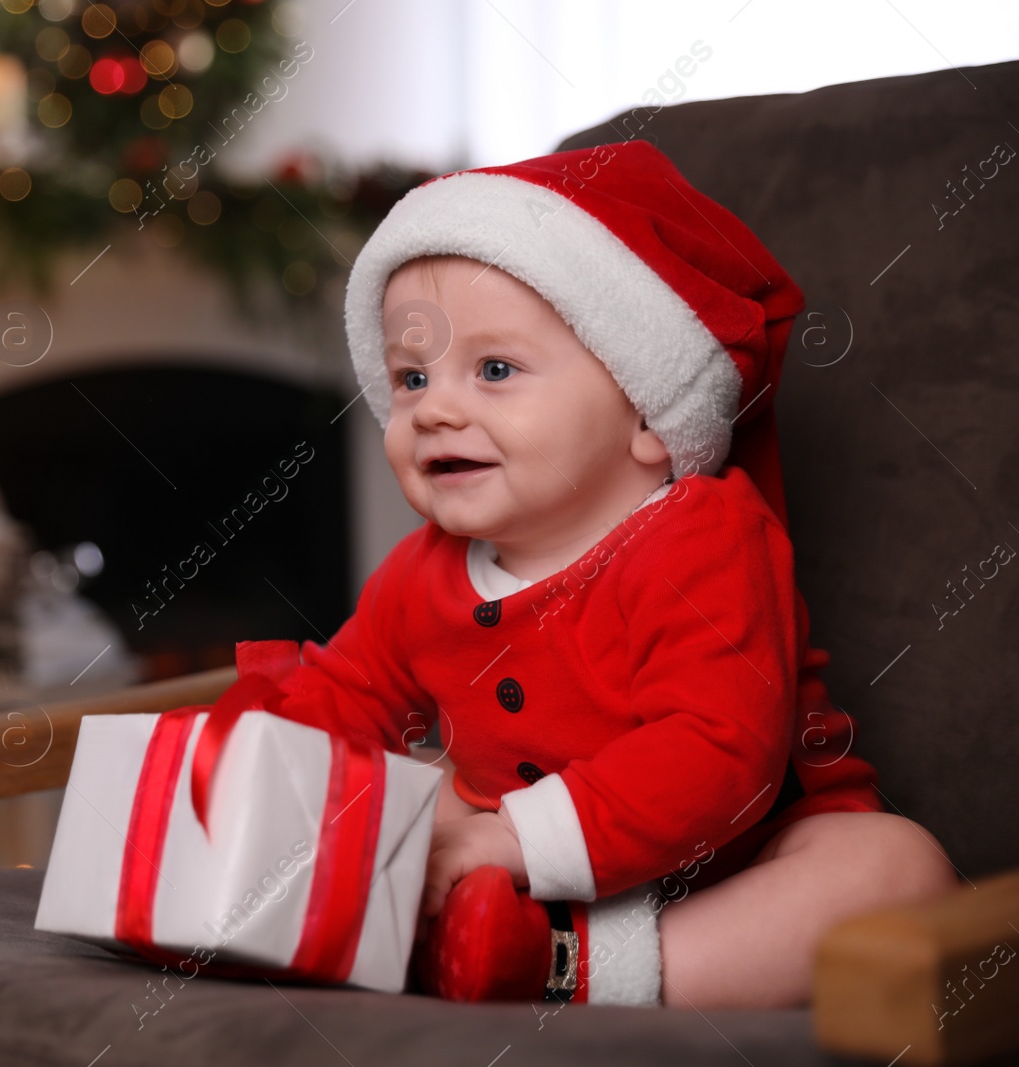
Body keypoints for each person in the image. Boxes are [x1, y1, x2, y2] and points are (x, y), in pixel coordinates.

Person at [267, 140, 957, 1008]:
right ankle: (440, 931)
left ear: (647, 410)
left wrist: (513, 841)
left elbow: (719, 754)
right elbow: (346, 693)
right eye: (411, 377)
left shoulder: (701, 537)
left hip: (736, 856)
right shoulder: (421, 573)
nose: (434, 407)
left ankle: (576, 970)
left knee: (894, 867)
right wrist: (248, 759)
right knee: (387, 789)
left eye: (493, 370)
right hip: (506, 864)